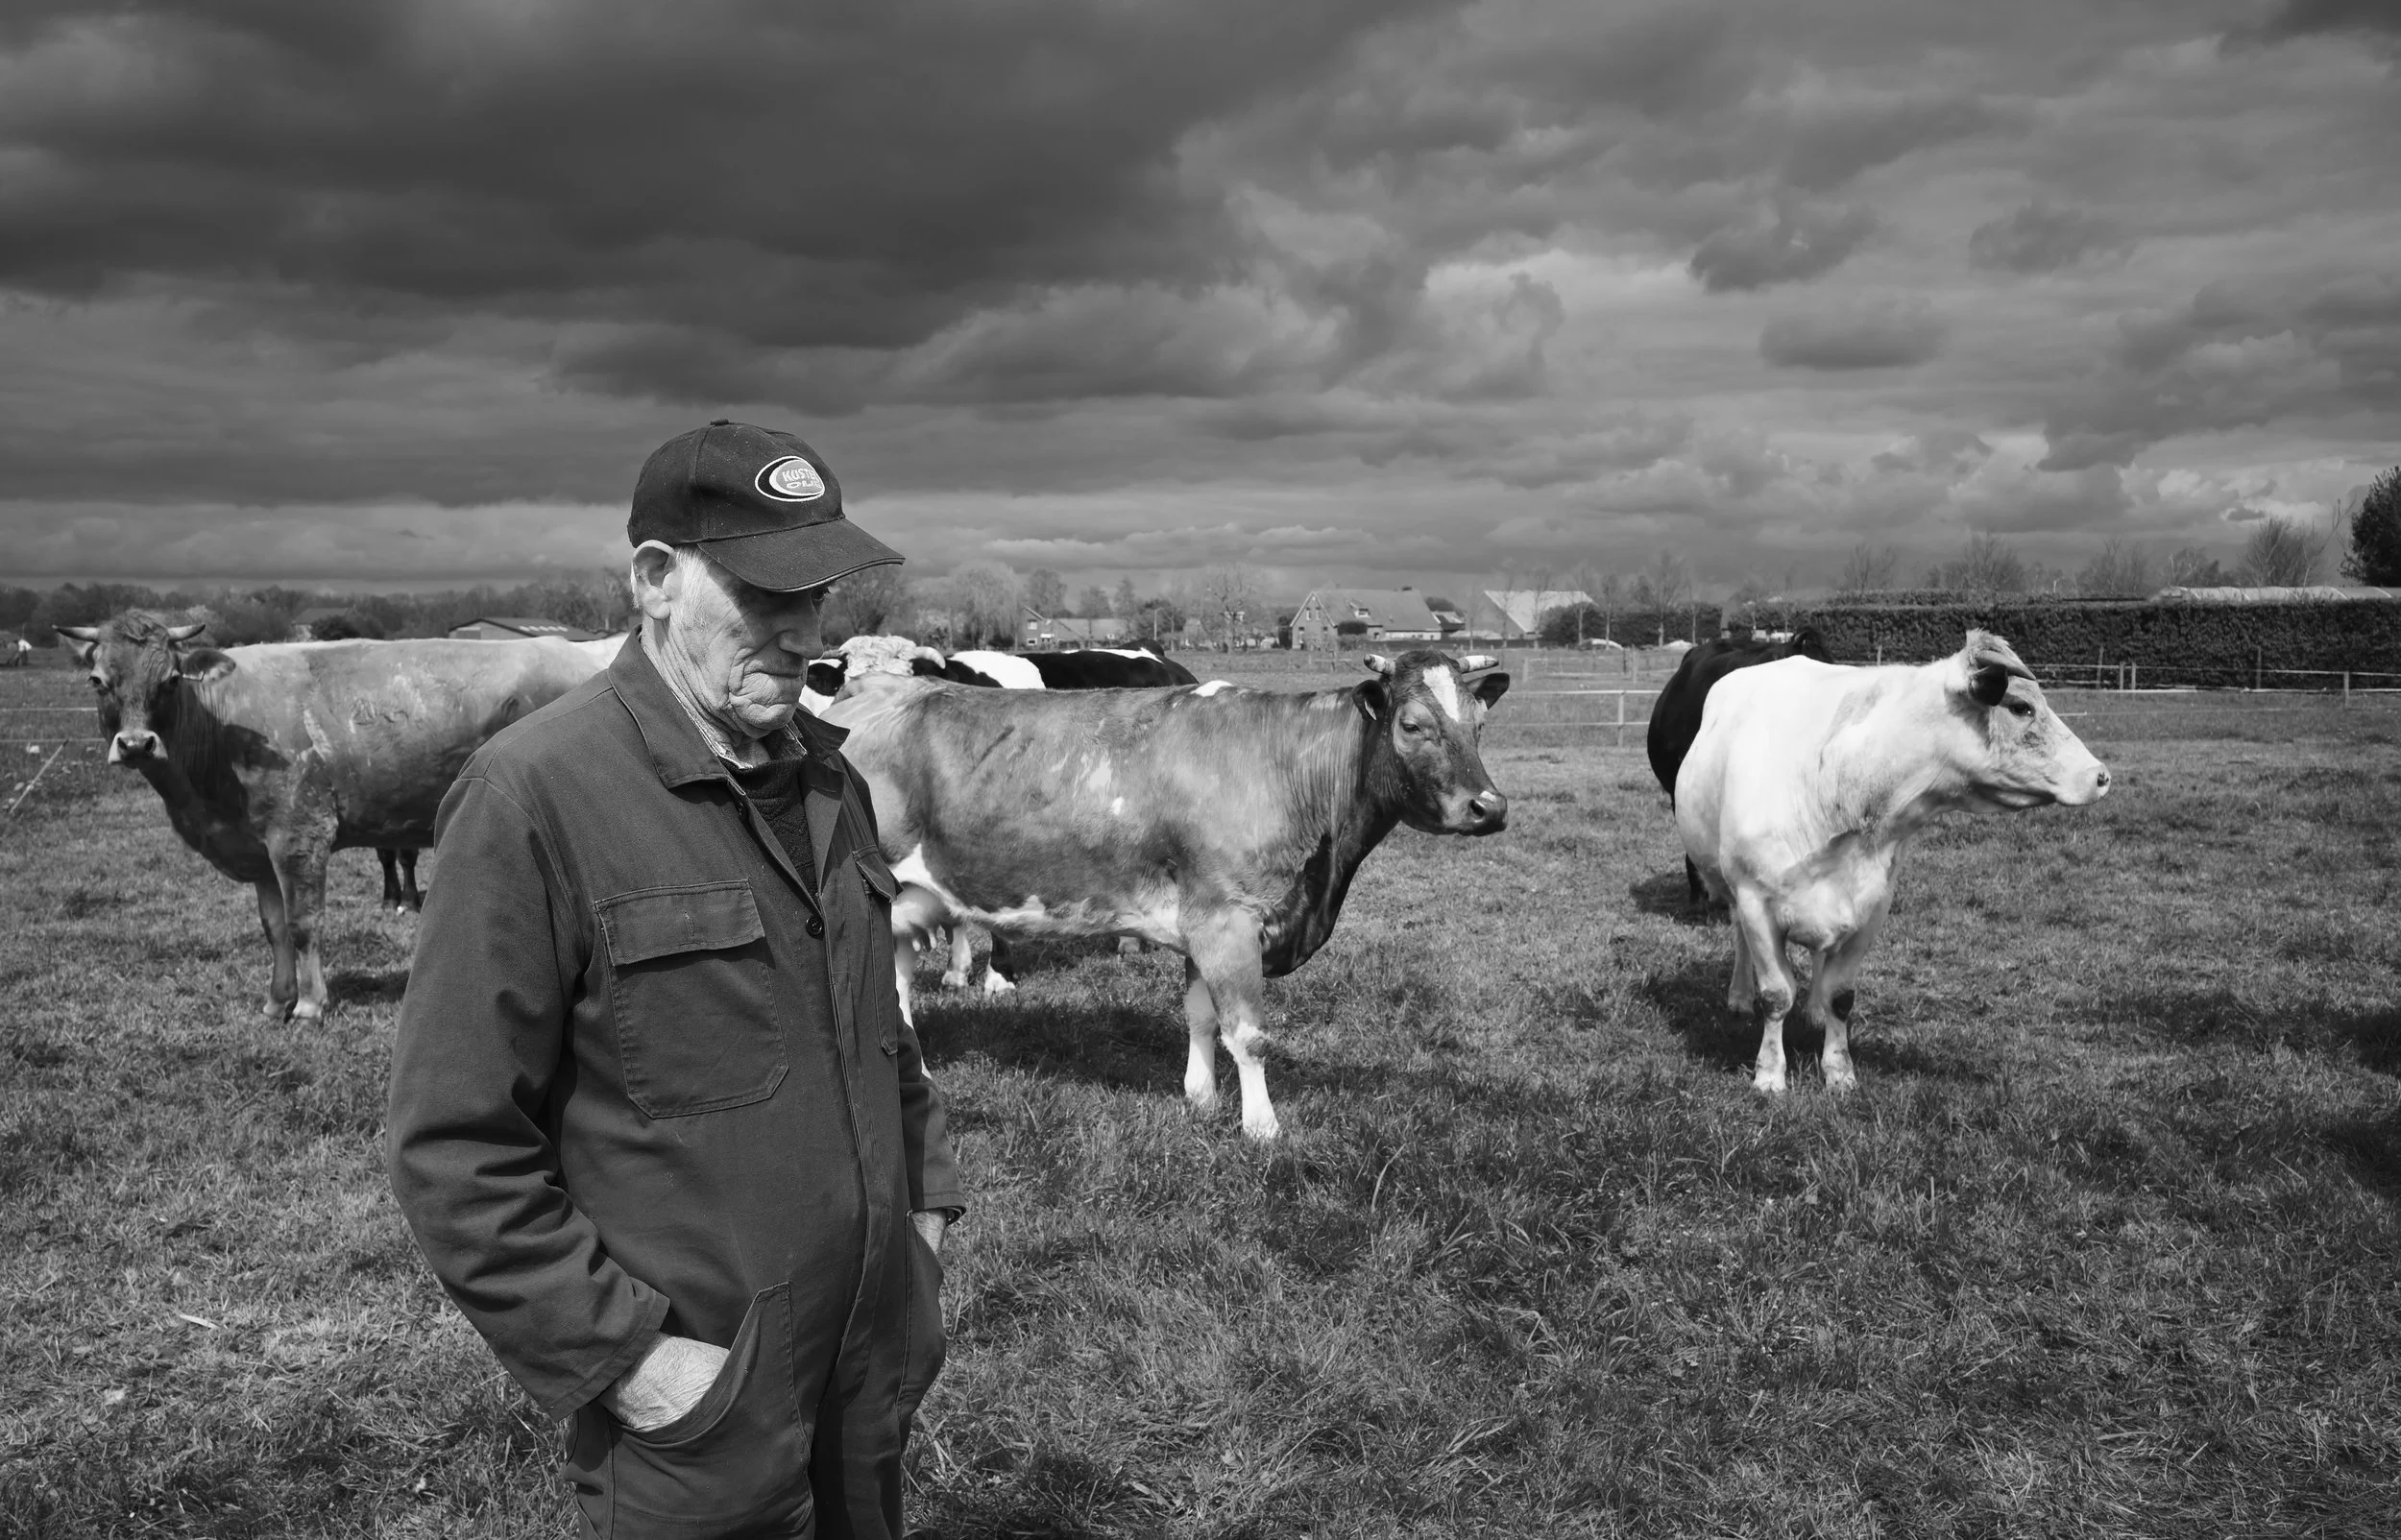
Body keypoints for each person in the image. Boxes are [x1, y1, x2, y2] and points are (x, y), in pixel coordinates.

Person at [388, 421, 965, 1539]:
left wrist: (923, 1223)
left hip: (867, 1364)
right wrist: (629, 1359)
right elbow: (450, 1143)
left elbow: (877, 1031)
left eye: (820, 596)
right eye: (766, 595)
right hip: (702, 1406)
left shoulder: (827, 776)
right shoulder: (534, 796)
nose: (806, 633)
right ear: (655, 580)